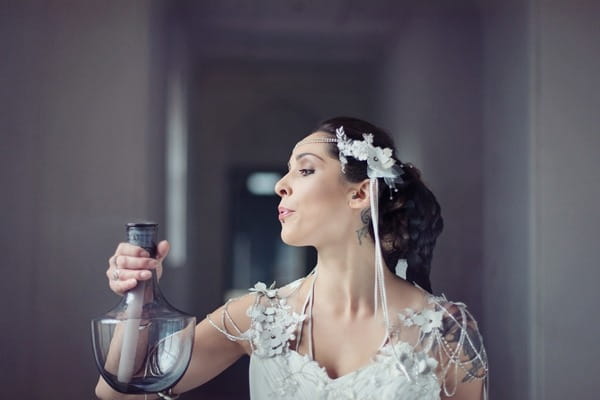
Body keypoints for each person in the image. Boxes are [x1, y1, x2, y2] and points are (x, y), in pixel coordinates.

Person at [96, 117, 488, 400]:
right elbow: (120, 390)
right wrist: (139, 297)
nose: (281, 186)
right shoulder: (259, 316)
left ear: (359, 194)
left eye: (304, 170)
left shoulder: (447, 329)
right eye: (287, 173)